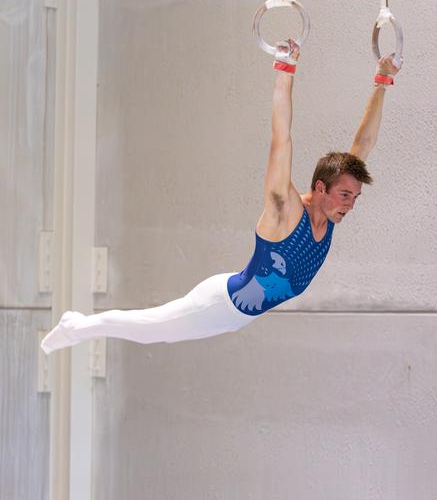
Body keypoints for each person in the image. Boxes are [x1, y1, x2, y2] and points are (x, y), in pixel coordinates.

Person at [41, 42, 401, 354]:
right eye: (344, 195)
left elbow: (363, 144)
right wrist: (286, 70)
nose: (349, 204)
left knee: (157, 333)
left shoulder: (331, 209)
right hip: (218, 304)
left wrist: (382, 80)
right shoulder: (285, 209)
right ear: (320, 187)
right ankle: (77, 326)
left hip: (238, 315)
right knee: (151, 330)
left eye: (354, 197)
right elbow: (281, 139)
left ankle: (78, 326)